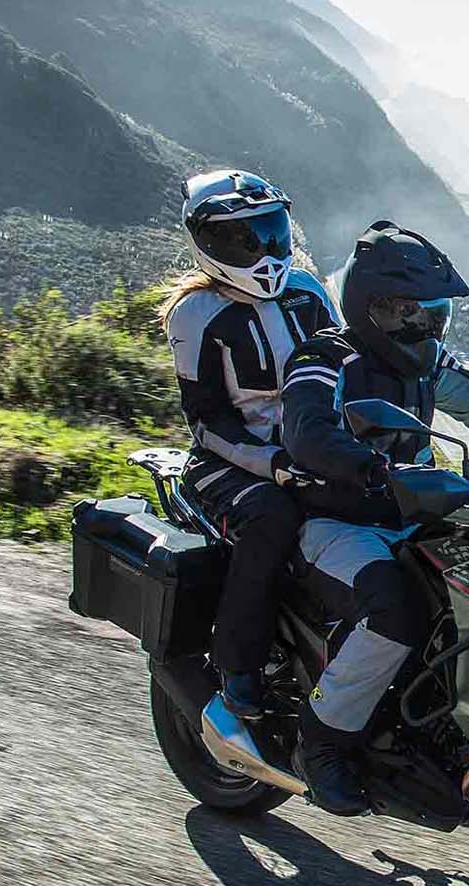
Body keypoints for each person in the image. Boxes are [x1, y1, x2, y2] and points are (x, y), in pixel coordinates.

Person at [279, 221, 469, 814]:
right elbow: (306, 432)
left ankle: (454, 727)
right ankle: (322, 742)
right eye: (416, 314)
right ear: (374, 310)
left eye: (437, 315)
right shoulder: (326, 357)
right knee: (398, 611)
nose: (429, 328)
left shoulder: (429, 363)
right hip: (340, 523)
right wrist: (371, 469)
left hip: (417, 520)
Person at [161, 170, 341, 718]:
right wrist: (273, 463)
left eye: (272, 233)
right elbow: (206, 420)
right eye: (246, 239)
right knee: (272, 520)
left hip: (311, 452)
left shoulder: (309, 291)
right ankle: (238, 664)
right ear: (208, 243)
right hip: (228, 462)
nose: (265, 250)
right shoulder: (196, 314)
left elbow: (351, 372)